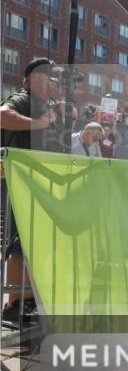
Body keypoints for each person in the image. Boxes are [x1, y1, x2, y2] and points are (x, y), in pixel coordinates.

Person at [0, 58, 75, 324]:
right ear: (34, 78)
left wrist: (68, 122)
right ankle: (16, 302)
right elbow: (3, 115)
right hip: (22, 185)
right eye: (50, 76)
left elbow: (56, 144)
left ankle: (28, 300)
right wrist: (41, 123)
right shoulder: (23, 98)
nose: (55, 81)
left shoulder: (49, 106)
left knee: (35, 244)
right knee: (20, 246)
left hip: (42, 186)